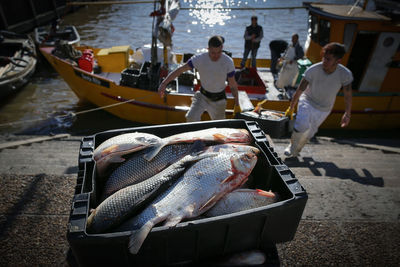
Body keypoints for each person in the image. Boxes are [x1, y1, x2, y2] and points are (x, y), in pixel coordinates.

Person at [284, 42, 353, 157]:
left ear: (338, 61)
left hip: (325, 108)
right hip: (307, 100)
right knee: (301, 125)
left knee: (309, 133)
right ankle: (291, 146)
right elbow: (300, 89)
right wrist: (291, 106)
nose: (324, 61)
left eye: (328, 59)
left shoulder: (345, 74)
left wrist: (347, 113)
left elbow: (348, 95)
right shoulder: (313, 70)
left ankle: (297, 150)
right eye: (324, 58)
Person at [158, 35, 240, 122]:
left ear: (222, 48)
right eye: (213, 53)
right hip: (202, 96)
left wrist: (237, 103)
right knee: (191, 117)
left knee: (219, 126)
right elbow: (180, 70)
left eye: (219, 52)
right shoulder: (200, 59)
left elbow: (232, 84)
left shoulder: (228, 61)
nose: (216, 56)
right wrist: (164, 83)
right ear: (208, 49)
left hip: (219, 99)